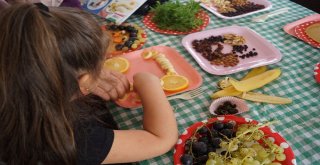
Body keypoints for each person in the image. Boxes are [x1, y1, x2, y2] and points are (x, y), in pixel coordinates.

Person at [0, 3, 178, 165]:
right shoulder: (72, 138)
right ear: (83, 79)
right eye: (101, 65)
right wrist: (148, 83)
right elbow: (161, 139)